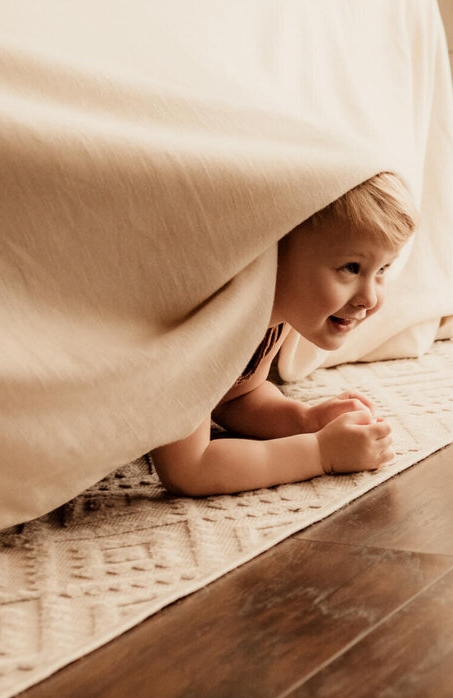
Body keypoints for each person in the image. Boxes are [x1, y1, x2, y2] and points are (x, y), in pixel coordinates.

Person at [149, 172, 415, 496]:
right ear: (278, 242)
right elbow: (189, 468)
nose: (370, 298)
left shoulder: (279, 307)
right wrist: (320, 451)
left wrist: (303, 419)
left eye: (383, 269)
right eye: (351, 268)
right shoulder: (209, 314)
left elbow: (235, 396)